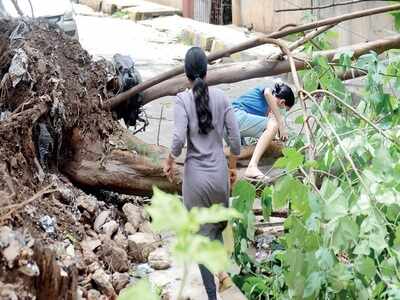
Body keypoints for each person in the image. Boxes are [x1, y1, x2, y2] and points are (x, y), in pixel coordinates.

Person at [163, 47, 241, 300]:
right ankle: (223, 276)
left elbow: (177, 139)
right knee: (214, 230)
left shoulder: (182, 100)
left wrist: (169, 160)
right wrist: (232, 168)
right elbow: (236, 141)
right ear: (207, 72)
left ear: (186, 73)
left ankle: (212, 295)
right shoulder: (222, 98)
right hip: (219, 179)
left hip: (195, 180)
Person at [231, 79, 295, 179]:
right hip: (234, 115)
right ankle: (252, 167)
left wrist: (275, 139)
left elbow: (266, 134)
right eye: (284, 109)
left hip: (229, 127)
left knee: (241, 152)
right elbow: (267, 93)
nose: (281, 111)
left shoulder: (265, 110)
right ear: (282, 102)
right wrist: (281, 124)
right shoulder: (269, 88)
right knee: (273, 124)